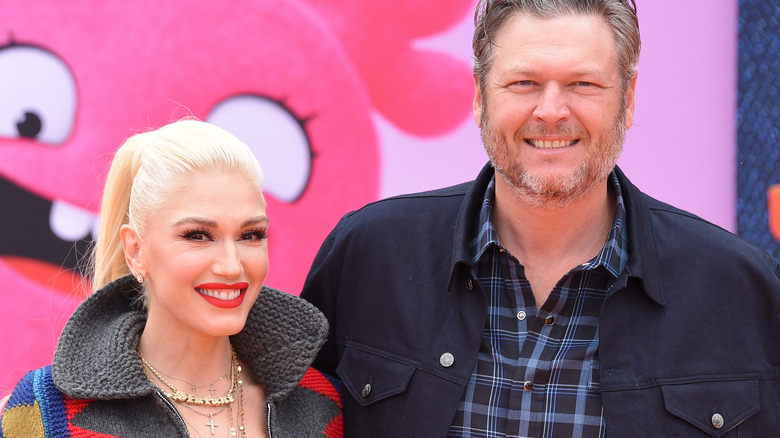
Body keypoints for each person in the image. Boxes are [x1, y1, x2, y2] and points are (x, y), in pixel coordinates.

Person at [300, 0, 780, 436]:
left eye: (583, 84)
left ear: (628, 98)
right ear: (480, 96)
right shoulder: (367, 256)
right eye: (524, 82)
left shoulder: (742, 288)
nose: (551, 112)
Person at [0, 119, 343, 437]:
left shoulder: (326, 406)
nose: (231, 265)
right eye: (198, 235)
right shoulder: (46, 410)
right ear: (135, 250)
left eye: (251, 235)